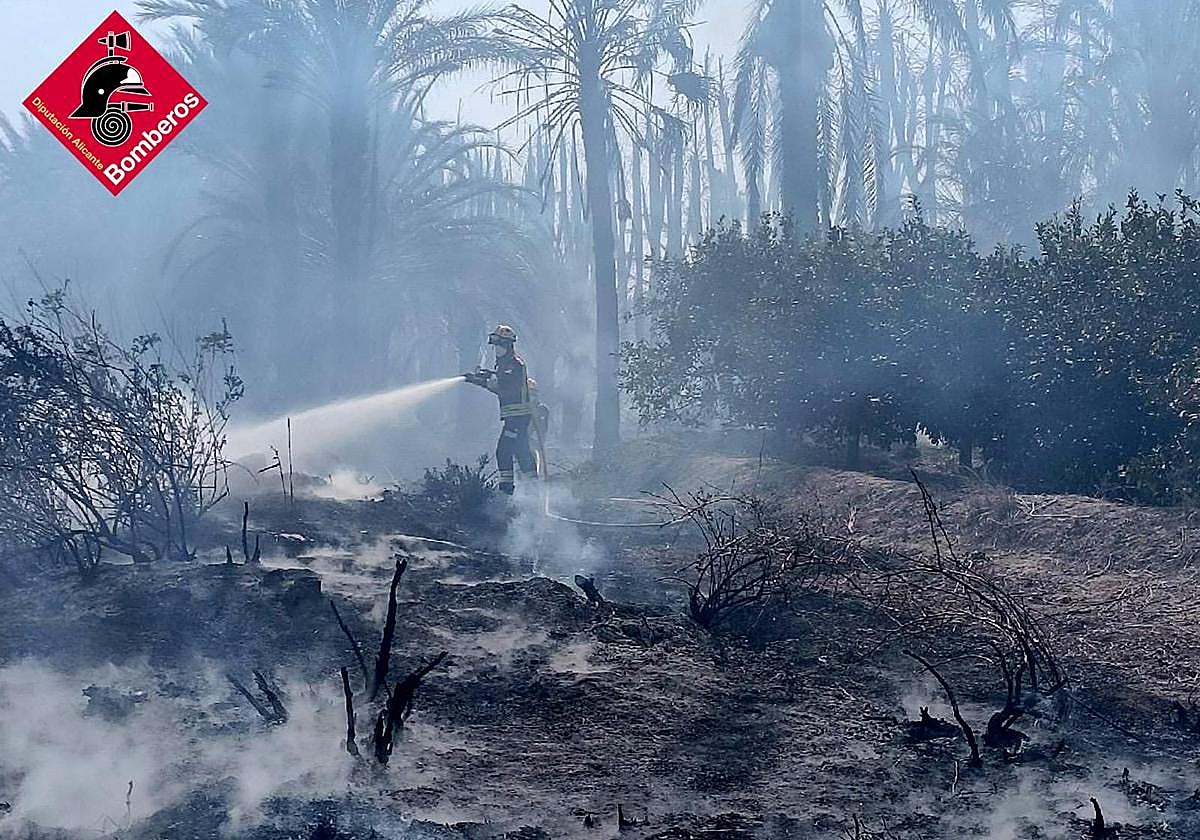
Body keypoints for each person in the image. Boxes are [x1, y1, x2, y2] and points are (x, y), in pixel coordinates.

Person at [465, 325, 539, 494]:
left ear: (508, 345)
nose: (496, 349)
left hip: (517, 418)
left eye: (499, 345)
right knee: (521, 451)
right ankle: (534, 490)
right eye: (495, 346)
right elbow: (498, 382)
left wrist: (482, 380)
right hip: (515, 417)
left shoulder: (514, 365)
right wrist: (483, 377)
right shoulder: (504, 364)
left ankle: (506, 490)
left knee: (503, 451)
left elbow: (503, 386)